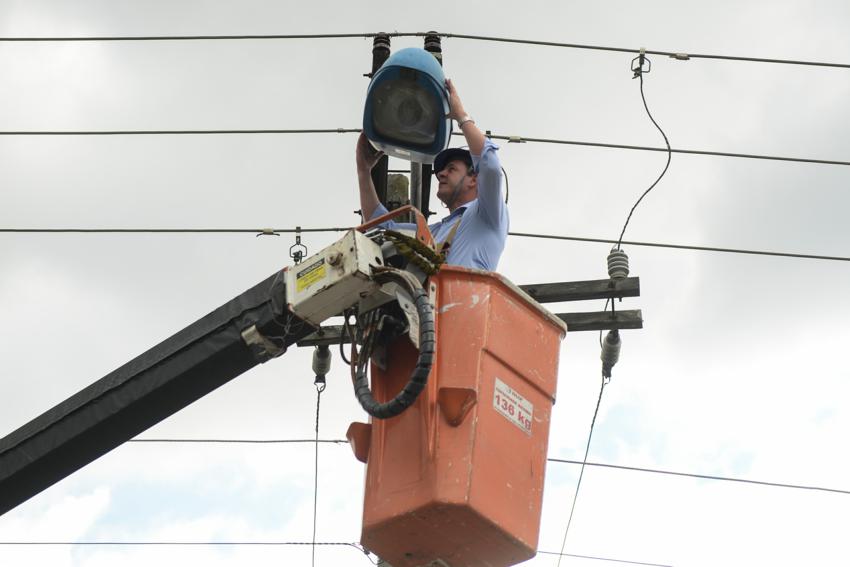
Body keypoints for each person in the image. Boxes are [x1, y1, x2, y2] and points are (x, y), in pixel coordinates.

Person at [356, 79, 508, 271]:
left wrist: (461, 115)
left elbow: (491, 167)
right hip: (435, 301)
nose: (442, 174)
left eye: (451, 169)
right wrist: (364, 171)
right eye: (442, 171)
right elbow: (381, 229)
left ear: (474, 179)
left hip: (467, 300)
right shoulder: (434, 233)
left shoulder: (487, 213)